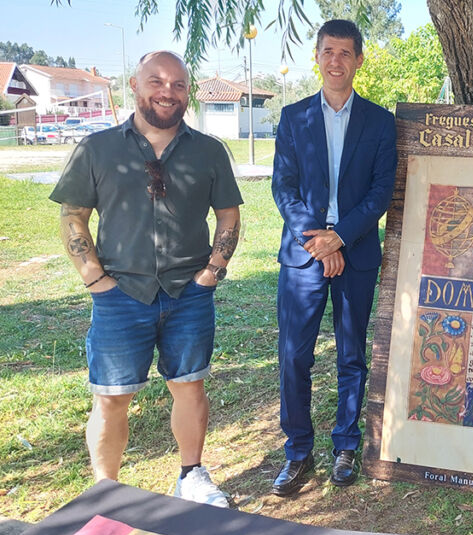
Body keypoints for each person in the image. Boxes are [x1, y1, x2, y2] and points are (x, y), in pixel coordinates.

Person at [49, 51, 242, 507]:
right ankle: (106, 491)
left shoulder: (209, 151)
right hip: (120, 294)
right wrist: (95, 280)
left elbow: (228, 214)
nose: (167, 92)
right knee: (111, 396)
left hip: (188, 294)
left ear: (188, 93)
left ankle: (191, 475)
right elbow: (73, 215)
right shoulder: (97, 149)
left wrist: (211, 273)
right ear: (135, 85)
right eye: (156, 81)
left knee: (189, 386)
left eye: (178, 84)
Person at [270, 19, 397, 497]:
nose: (336, 60)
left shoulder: (380, 122)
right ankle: (298, 451)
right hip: (303, 257)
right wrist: (318, 243)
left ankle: (346, 445)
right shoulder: (293, 117)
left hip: (356, 253)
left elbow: (380, 192)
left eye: (345, 52)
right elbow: (283, 188)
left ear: (358, 60)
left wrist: (339, 238)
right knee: (294, 356)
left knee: (351, 355)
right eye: (328, 51)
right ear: (317, 57)